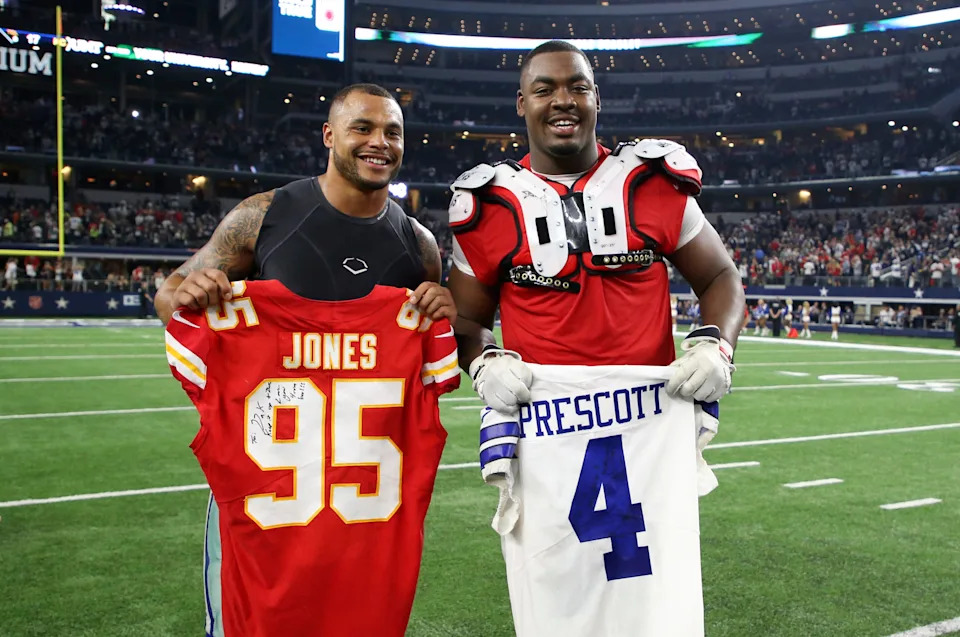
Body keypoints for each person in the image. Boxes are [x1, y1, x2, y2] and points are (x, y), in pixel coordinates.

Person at [446, 41, 744, 636]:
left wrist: (716, 341)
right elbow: (467, 323)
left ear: (596, 98)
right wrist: (482, 362)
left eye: (577, 87)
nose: (563, 100)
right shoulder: (487, 205)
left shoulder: (652, 183)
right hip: (545, 435)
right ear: (521, 102)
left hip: (646, 434)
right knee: (559, 597)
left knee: (656, 600)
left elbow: (719, 276)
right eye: (545, 88)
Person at [154, 83, 456, 637]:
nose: (379, 143)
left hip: (362, 498)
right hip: (268, 481)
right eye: (363, 127)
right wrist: (195, 293)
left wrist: (442, 309)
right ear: (329, 135)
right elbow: (169, 294)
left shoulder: (418, 245)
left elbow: (433, 350)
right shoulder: (264, 215)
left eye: (393, 132)